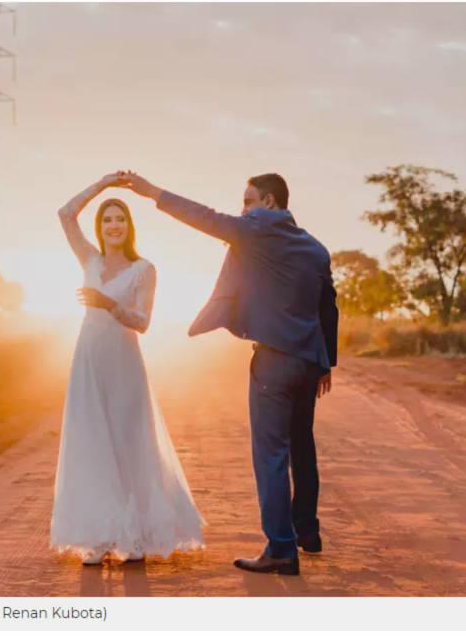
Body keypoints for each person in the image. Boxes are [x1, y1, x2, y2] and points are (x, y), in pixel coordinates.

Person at [111, 170, 338, 576]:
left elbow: (205, 217)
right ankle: (307, 532)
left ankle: (281, 549)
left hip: (274, 360)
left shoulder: (256, 230)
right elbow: (328, 309)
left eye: (248, 201)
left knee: (271, 454)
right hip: (308, 362)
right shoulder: (316, 248)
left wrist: (152, 193)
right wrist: (327, 362)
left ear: (269, 202)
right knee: (302, 447)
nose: (243, 210)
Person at [49, 173, 205, 566]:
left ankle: (133, 535)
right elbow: (66, 214)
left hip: (124, 363)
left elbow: (143, 322)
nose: (113, 225)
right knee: (92, 443)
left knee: (126, 442)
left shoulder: (144, 269)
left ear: (129, 228)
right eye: (107, 220)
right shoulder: (90, 259)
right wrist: (103, 186)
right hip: (88, 359)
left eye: (120, 219)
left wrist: (109, 305)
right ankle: (98, 535)